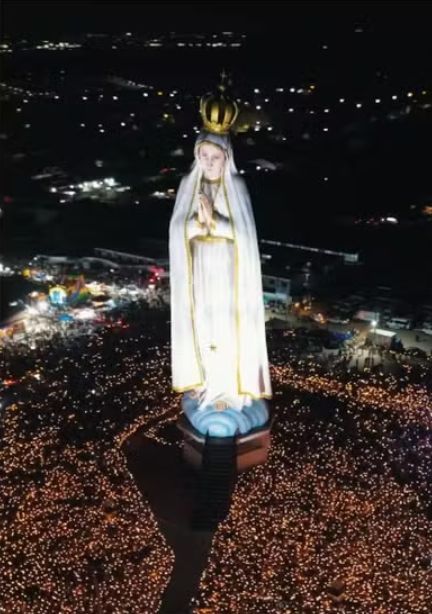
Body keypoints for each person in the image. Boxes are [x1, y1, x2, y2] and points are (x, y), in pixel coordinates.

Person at [168, 76, 270, 438]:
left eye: (216, 157)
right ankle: (206, 385)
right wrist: (197, 224)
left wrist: (216, 221)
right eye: (204, 156)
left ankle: (229, 390)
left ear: (227, 157)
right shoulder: (187, 187)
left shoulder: (236, 187)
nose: (209, 162)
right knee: (203, 327)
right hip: (200, 272)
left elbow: (244, 237)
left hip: (228, 274)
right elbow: (178, 231)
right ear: (198, 156)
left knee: (227, 330)